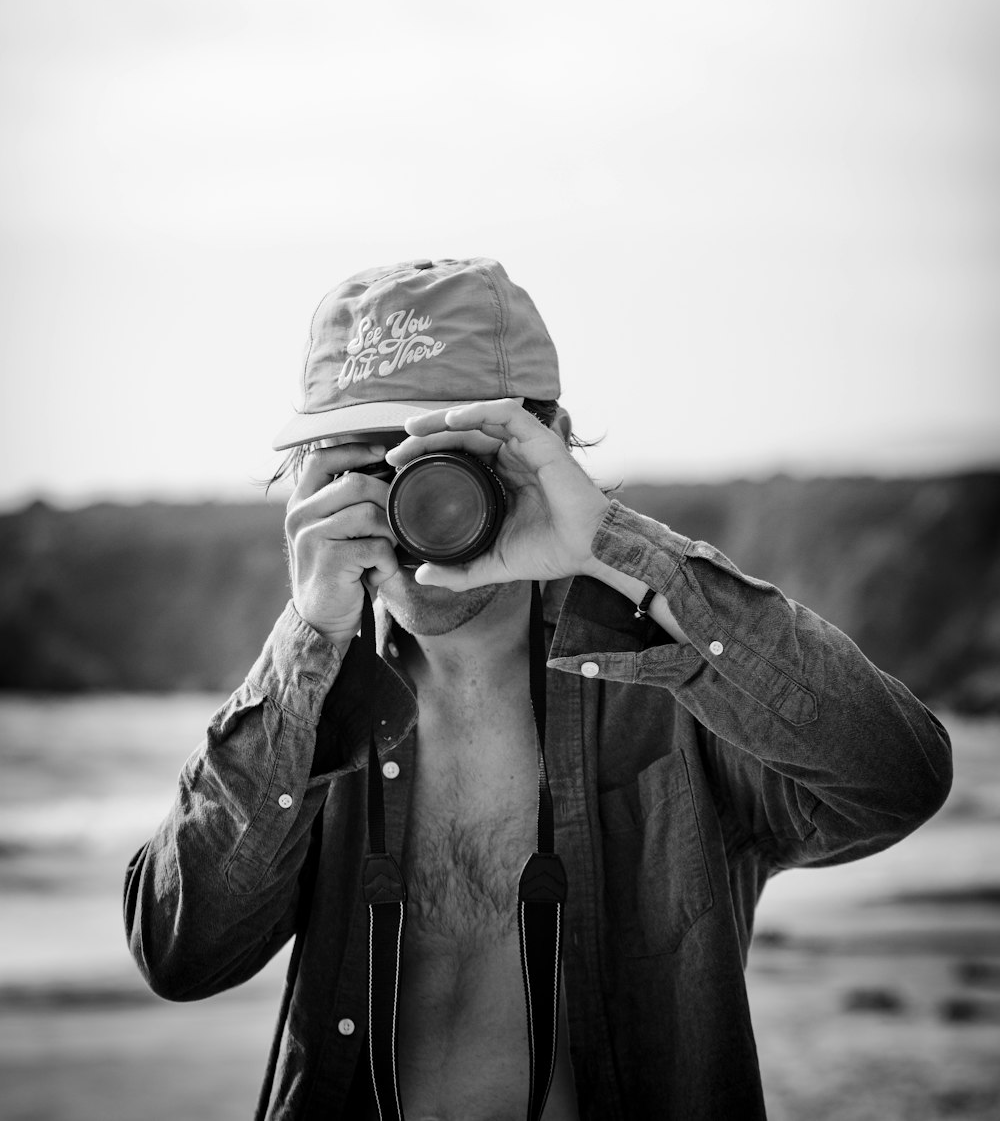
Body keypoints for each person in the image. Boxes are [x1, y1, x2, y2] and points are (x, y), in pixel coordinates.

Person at [124, 256, 953, 1121]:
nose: (409, 516)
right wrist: (308, 638)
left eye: (437, 467)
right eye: (357, 469)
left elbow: (897, 776)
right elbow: (182, 952)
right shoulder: (312, 710)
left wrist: (620, 547)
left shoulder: (675, 683)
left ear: (538, 448)